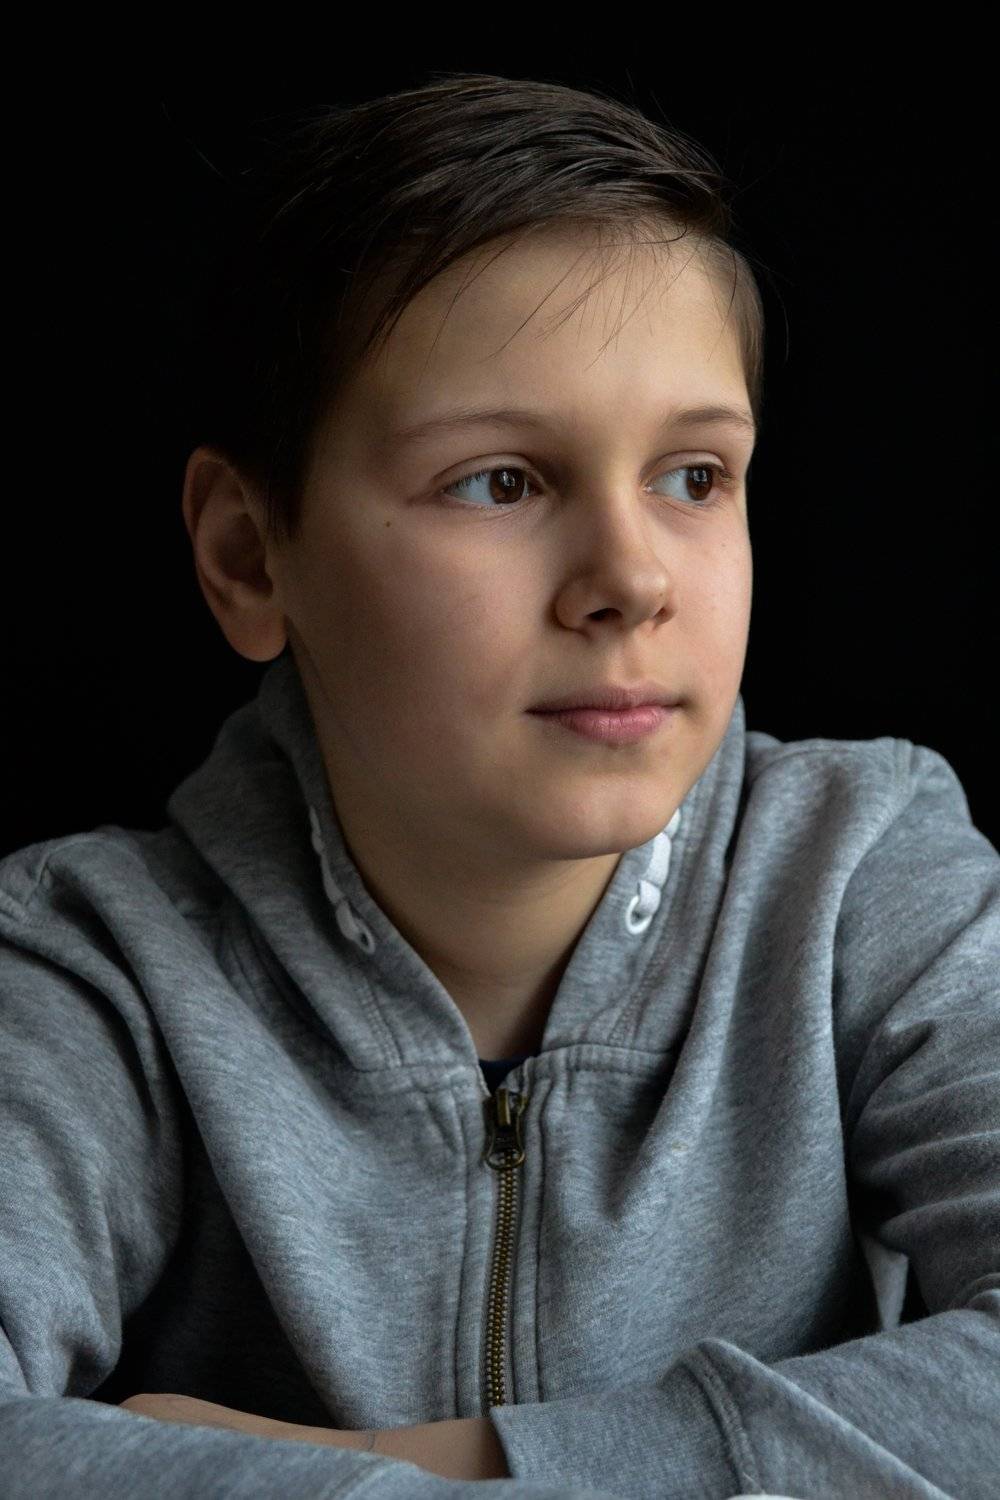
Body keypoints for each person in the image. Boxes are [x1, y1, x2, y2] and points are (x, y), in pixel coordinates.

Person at [1, 72, 996, 1500]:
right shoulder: (89, 969)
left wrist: (441, 1470)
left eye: (694, 477)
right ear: (248, 557)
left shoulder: (867, 873)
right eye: (501, 483)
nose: (632, 579)